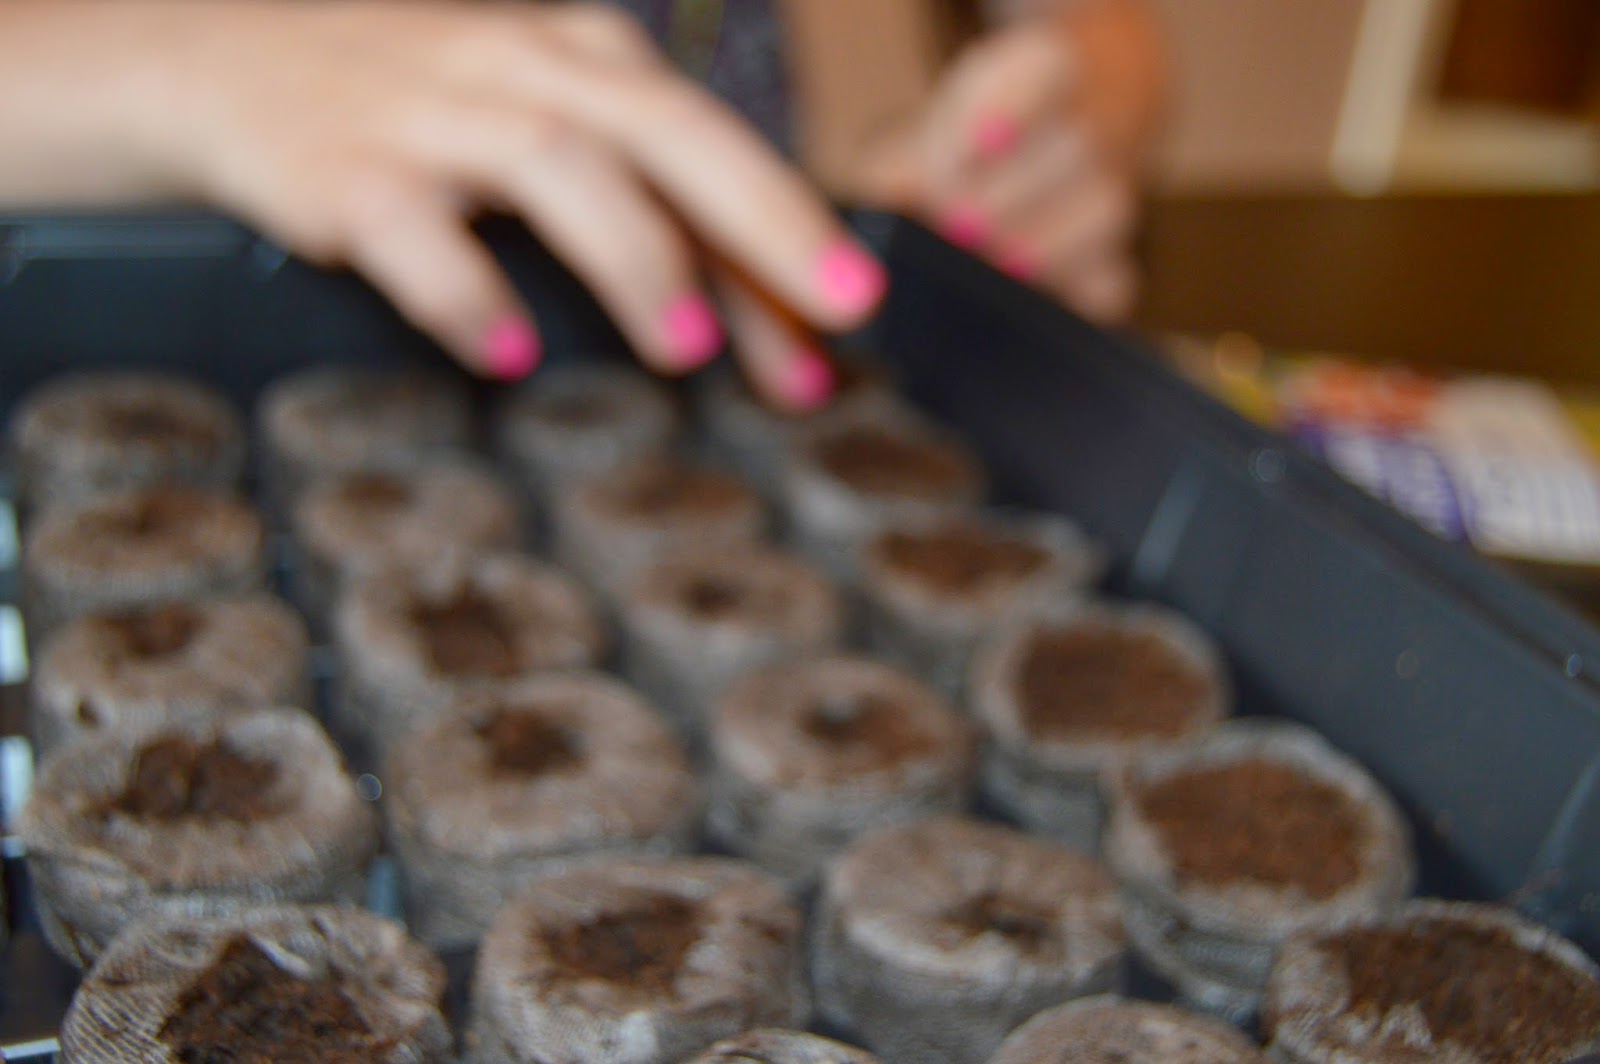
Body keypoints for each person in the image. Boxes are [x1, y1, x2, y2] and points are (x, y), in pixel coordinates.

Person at [0, 0, 1163, 408]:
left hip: (713, 324)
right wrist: (162, 62)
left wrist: (1074, 110)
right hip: (137, 329)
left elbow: (1093, 29)